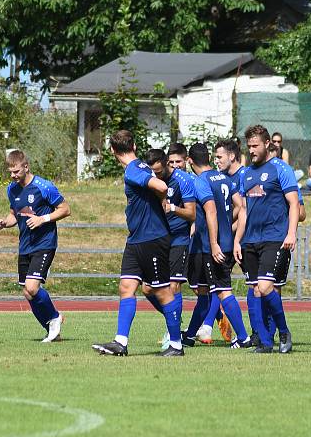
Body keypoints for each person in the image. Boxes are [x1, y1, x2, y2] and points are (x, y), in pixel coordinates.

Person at [92, 130, 183, 357]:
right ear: (133, 144)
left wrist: (163, 199)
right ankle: (120, 342)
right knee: (127, 287)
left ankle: (177, 345)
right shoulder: (141, 166)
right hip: (136, 239)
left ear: (112, 150)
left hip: (152, 238)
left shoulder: (134, 169)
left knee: (161, 291)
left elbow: (162, 187)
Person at [233, 125, 299, 353]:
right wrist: (237, 240)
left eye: (255, 146)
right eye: (249, 146)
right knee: (254, 290)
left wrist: (291, 233)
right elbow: (242, 210)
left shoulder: (281, 169)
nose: (251, 150)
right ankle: (264, 342)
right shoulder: (246, 173)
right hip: (250, 239)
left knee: (265, 286)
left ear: (268, 143)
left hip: (275, 238)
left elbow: (294, 204)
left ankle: (283, 331)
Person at [0, 150, 71, 343]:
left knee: (32, 287)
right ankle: (52, 327)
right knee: (27, 292)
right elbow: (14, 214)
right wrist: (5, 222)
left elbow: (65, 209)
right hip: (25, 245)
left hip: (44, 243)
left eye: (16, 171)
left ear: (26, 167)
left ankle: (54, 317)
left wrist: (42, 219)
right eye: (10, 172)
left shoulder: (44, 186)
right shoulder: (11, 189)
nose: (13, 176)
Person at [186, 143, 251, 348]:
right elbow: (240, 205)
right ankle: (188, 336)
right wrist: (226, 224)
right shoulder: (223, 177)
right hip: (225, 242)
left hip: (213, 246)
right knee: (204, 291)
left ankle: (243, 338)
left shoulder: (201, 181)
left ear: (189, 161)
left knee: (223, 291)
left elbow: (211, 211)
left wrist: (214, 243)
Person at [141, 148, 196, 349]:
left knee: (174, 286)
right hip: (156, 239)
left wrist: (172, 208)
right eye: (152, 172)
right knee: (147, 288)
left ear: (166, 164)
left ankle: (172, 334)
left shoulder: (183, 180)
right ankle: (173, 318)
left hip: (178, 239)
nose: (155, 176)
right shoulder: (148, 179)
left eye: (158, 171)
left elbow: (192, 214)